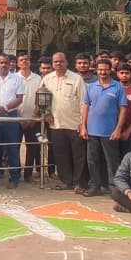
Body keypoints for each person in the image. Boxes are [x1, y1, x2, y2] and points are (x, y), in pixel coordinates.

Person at [80, 57, 127, 197]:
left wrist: (118, 129)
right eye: (100, 70)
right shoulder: (91, 87)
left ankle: (115, 189)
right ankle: (95, 186)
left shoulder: (118, 87)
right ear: (96, 70)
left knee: (112, 162)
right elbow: (86, 107)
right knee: (92, 160)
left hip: (110, 132)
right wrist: (83, 127)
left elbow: (123, 109)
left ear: (110, 70)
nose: (102, 72)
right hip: (92, 131)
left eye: (105, 70)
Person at [43, 52, 87, 193]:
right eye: (56, 61)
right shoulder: (47, 79)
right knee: (61, 155)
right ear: (52, 63)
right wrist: (46, 113)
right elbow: (41, 98)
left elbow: (83, 102)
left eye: (61, 61)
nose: (58, 64)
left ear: (67, 62)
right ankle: (66, 181)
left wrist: (83, 123)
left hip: (75, 124)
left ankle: (79, 183)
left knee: (78, 155)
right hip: (56, 124)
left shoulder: (76, 79)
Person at [0, 54, 24, 190]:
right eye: (1, 62)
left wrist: (5, 108)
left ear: (10, 64)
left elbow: (19, 98)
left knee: (12, 148)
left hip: (10, 116)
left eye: (6, 63)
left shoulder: (17, 79)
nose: (4, 65)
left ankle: (14, 178)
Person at [15, 53, 43, 182]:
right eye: (21, 60)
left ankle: (28, 174)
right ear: (18, 63)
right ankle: (15, 173)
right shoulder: (14, 78)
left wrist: (34, 117)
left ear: (30, 62)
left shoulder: (38, 79)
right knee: (14, 147)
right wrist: (19, 118)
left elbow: (40, 99)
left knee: (32, 147)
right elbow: (11, 98)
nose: (24, 61)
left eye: (26, 59)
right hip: (16, 119)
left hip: (33, 120)